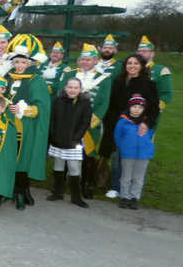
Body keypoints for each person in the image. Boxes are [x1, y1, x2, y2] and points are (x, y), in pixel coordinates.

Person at [99, 54, 159, 199]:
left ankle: (130, 189)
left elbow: (154, 108)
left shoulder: (148, 84)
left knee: (129, 157)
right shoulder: (118, 81)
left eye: (136, 63)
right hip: (116, 123)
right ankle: (115, 186)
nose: (132, 66)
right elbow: (111, 103)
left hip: (136, 125)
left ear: (142, 66)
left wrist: (147, 123)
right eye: (129, 63)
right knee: (116, 155)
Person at [57, 43, 113, 199]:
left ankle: (87, 185)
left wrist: (93, 119)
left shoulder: (104, 79)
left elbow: (104, 102)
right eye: (82, 59)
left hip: (90, 124)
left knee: (88, 154)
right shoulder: (70, 74)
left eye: (88, 60)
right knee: (65, 151)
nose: (84, 62)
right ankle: (63, 185)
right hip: (68, 122)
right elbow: (60, 93)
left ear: (96, 60)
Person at [6, 34, 51, 210]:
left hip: (27, 127)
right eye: (16, 62)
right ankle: (9, 189)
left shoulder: (37, 80)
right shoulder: (8, 78)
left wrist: (25, 110)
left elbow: (42, 107)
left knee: (23, 158)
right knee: (10, 158)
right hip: (9, 127)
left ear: (30, 63)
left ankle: (22, 191)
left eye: (23, 63)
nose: (19, 66)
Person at [46, 78, 92, 207]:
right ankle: (58, 192)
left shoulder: (85, 103)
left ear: (80, 89)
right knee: (58, 165)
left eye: (76, 87)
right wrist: (53, 136)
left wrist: (76, 138)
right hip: (57, 139)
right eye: (70, 87)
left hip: (73, 142)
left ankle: (76, 197)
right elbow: (52, 120)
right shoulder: (57, 101)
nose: (72, 90)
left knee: (73, 167)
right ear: (65, 88)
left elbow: (85, 123)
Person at [114, 94, 155, 210]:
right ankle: (124, 197)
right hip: (128, 153)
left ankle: (134, 198)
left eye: (140, 108)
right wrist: (123, 148)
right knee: (126, 176)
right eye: (134, 107)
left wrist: (148, 147)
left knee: (138, 178)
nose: (137, 110)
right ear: (129, 107)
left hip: (143, 154)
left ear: (144, 109)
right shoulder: (123, 121)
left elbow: (151, 135)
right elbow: (118, 136)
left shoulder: (147, 123)